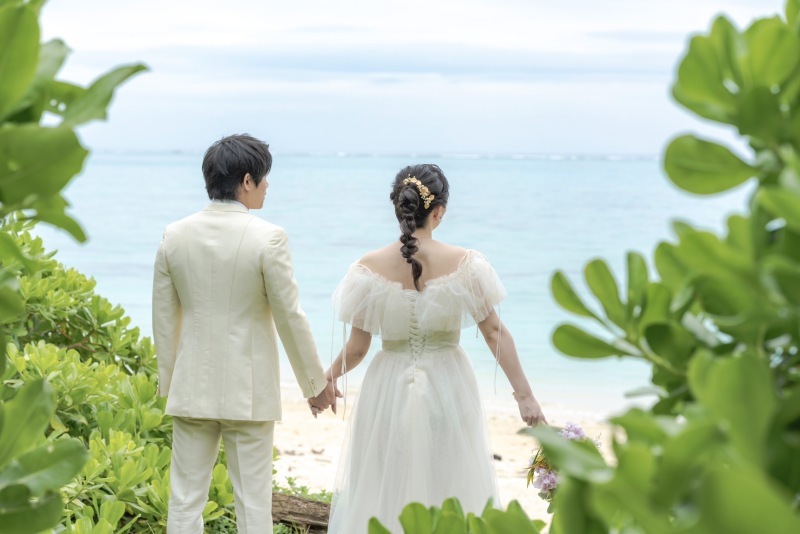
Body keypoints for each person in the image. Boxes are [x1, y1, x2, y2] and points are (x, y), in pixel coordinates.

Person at [324, 164, 547, 533]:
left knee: (385, 484)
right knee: (450, 483)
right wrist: (525, 396)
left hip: (386, 388)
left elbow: (358, 348)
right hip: (448, 382)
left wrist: (328, 377)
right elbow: (494, 333)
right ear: (439, 211)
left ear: (399, 208)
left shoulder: (366, 268)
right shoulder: (466, 264)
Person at [152, 134, 336, 533]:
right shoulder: (268, 237)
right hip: (249, 393)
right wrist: (314, 383)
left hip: (191, 388)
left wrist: (170, 384)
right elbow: (291, 316)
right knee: (253, 506)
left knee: (184, 501)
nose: (268, 187)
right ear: (248, 181)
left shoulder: (174, 235)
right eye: (265, 179)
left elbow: (164, 321)